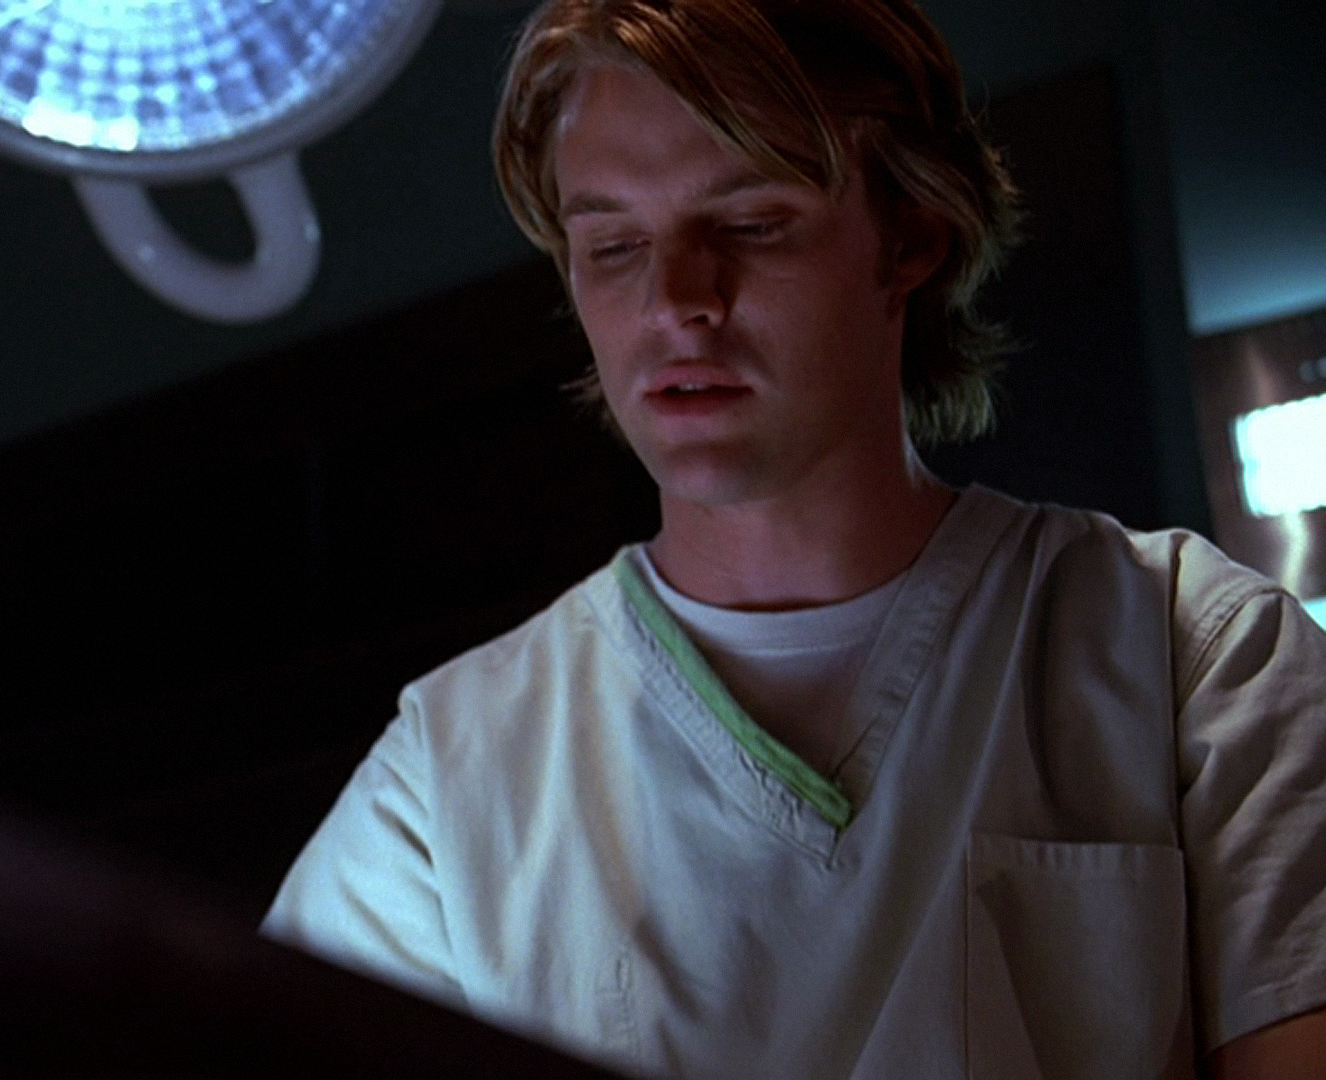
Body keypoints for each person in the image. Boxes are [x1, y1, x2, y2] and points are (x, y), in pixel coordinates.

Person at [259, 1, 1326, 1077]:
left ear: (909, 235)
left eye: (751, 223)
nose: (677, 300)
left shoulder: (1197, 661)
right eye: (615, 246)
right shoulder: (446, 789)